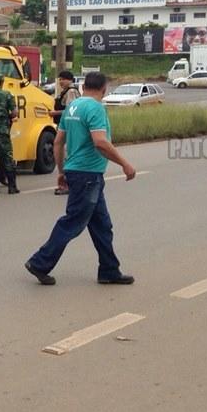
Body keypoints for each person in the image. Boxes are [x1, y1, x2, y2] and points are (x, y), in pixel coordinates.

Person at [25, 72, 136, 286]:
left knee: (102, 225)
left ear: (84, 86)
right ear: (104, 89)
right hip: (88, 174)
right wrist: (124, 163)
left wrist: (61, 171)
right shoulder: (95, 108)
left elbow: (58, 143)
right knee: (72, 222)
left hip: (80, 172)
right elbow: (100, 142)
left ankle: (109, 270)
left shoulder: (71, 108)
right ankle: (40, 262)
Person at [50, 70, 81, 195]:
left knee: (67, 153)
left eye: (63, 79)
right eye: (59, 80)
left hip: (69, 126)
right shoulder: (64, 92)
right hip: (64, 125)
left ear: (69, 80)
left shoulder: (71, 91)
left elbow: (71, 110)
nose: (61, 82)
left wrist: (55, 113)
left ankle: (67, 182)